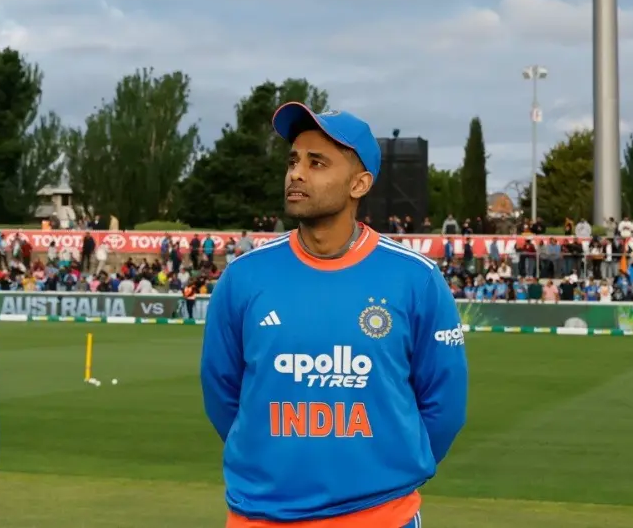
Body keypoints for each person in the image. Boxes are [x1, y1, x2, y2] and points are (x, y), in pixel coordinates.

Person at [200, 102, 468, 527]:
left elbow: (445, 405)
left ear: (359, 184)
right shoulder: (244, 277)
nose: (297, 173)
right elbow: (221, 393)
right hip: (261, 515)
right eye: (293, 161)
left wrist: (386, 472)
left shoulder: (415, 278)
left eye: (317, 162)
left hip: (380, 516)